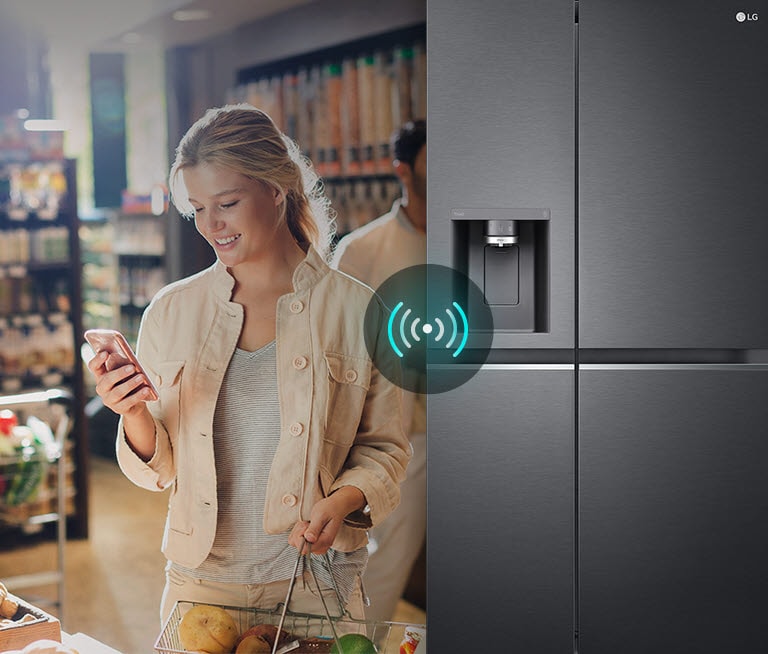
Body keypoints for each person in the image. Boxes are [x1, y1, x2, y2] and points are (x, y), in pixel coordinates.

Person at [87, 103, 410, 625]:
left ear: (276, 189)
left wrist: (343, 499)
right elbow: (160, 471)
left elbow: (387, 450)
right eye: (197, 210)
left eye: (228, 203)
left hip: (317, 587)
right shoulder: (171, 311)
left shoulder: (358, 310)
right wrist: (133, 413)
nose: (212, 226)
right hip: (200, 586)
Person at [331, 119, 426, 623]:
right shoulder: (363, 250)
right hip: (404, 440)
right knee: (386, 561)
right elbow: (337, 349)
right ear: (403, 171)